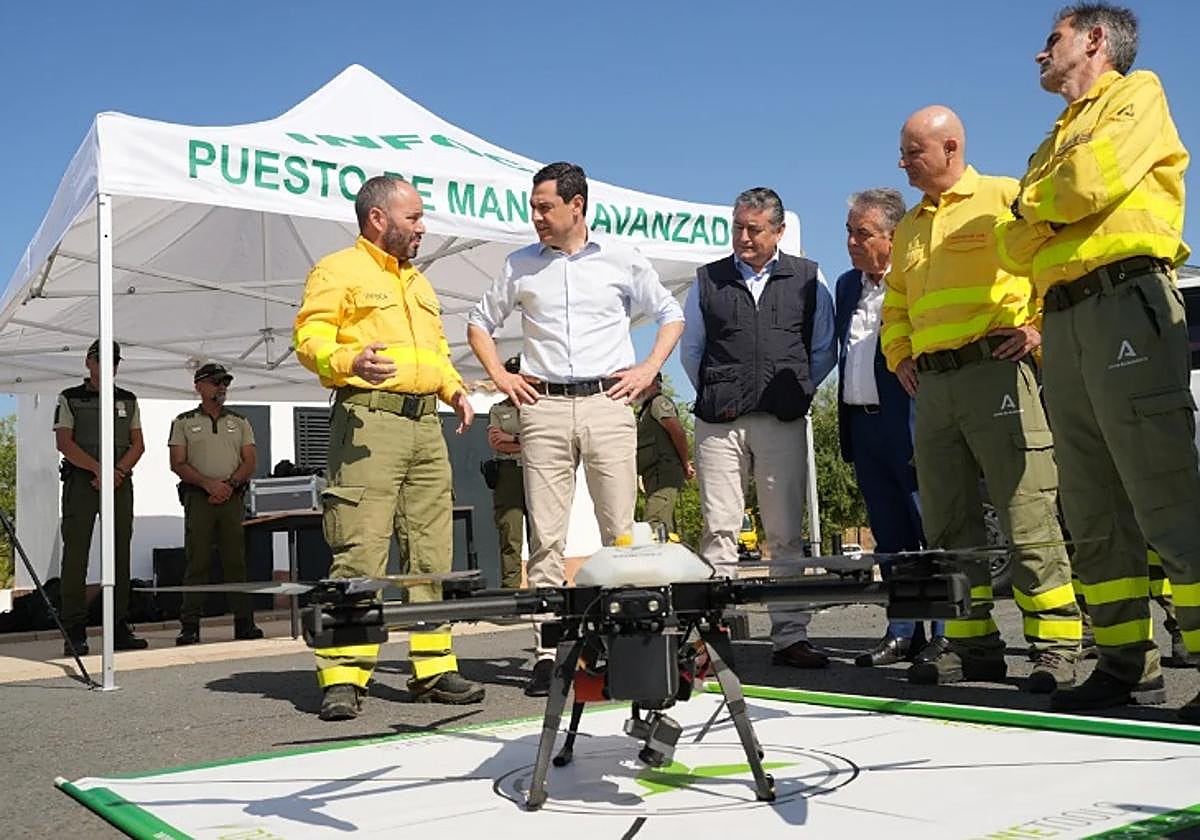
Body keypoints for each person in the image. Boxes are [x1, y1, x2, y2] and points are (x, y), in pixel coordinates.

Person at [995, 3, 1199, 719]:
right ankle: (1125, 667)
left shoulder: (1137, 94)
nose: (1038, 54)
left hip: (1124, 303)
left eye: (1049, 39)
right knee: (1092, 505)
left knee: (1165, 491)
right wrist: (1044, 209)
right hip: (1066, 319)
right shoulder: (1053, 139)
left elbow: (1091, 183)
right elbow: (1010, 246)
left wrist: (1035, 209)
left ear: (1093, 40)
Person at [881, 105, 1082, 692]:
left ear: (950, 149)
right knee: (946, 524)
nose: (903, 163)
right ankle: (972, 648)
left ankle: (1055, 647)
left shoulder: (1003, 196)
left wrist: (1039, 326)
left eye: (913, 151)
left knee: (1026, 512)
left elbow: (1053, 258)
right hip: (934, 388)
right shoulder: (911, 226)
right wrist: (899, 356)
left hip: (996, 372)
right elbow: (895, 303)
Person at [467, 161, 684, 696]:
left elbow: (670, 313)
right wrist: (500, 378)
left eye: (545, 207)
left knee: (622, 532)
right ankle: (549, 650)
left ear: (577, 205)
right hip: (542, 407)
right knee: (545, 536)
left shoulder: (621, 258)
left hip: (609, 403)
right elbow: (479, 323)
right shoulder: (520, 265)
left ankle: (624, 642)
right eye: (534, 207)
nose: (536, 216)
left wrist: (648, 369)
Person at [294, 174, 484, 720]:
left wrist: (453, 389)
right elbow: (309, 338)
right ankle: (344, 676)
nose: (422, 227)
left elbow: (437, 351)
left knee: (431, 553)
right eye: (415, 217)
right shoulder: (338, 270)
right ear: (379, 218)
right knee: (361, 550)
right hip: (368, 422)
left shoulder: (420, 284)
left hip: (427, 427)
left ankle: (433, 670)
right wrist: (347, 362)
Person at [680, 187, 836, 670]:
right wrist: (722, 390)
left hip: (782, 420)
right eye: (738, 227)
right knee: (720, 529)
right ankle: (711, 636)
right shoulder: (707, 280)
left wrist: (798, 392)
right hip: (719, 425)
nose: (743, 238)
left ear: (779, 231)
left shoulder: (808, 278)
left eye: (754, 229)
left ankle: (789, 636)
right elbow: (692, 350)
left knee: (786, 533)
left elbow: (823, 347)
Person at [835, 189, 944, 668]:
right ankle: (903, 631)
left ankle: (946, 632)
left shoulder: (917, 279)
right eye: (849, 232)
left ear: (893, 236)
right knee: (890, 536)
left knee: (930, 528)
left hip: (910, 420)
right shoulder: (845, 286)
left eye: (863, 233)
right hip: (864, 425)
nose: (853, 242)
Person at [53, 340, 148, 655]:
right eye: (101, 360)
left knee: (120, 552)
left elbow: (138, 444)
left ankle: (119, 625)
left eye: (114, 361)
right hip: (82, 482)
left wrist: (116, 472)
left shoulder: (128, 399)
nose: (108, 366)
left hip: (119, 482)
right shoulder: (70, 398)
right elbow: (64, 442)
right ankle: (75, 630)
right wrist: (98, 470)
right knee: (76, 555)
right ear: (88, 362)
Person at [168, 362, 263, 646]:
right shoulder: (183, 421)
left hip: (232, 497)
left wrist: (229, 485)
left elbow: (250, 461)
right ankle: (190, 626)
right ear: (199, 386)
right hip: (199, 497)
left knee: (236, 561)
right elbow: (177, 463)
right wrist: (209, 485)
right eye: (216, 382)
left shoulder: (240, 421)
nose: (222, 387)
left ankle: (245, 622)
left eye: (225, 383)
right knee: (197, 560)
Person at [487, 356, 527, 589]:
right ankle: (511, 590)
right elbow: (495, 442)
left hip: (535, 472)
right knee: (510, 534)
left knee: (543, 534)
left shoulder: (539, 405)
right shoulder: (498, 409)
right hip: (509, 475)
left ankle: (546, 588)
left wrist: (512, 438)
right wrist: (525, 442)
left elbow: (543, 442)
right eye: (512, 373)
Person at [636, 373, 694, 534]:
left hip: (663, 471)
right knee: (662, 522)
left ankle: (658, 558)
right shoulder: (646, 408)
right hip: (654, 473)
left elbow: (678, 432)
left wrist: (685, 463)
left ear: (652, 383)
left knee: (655, 522)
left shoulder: (659, 402)